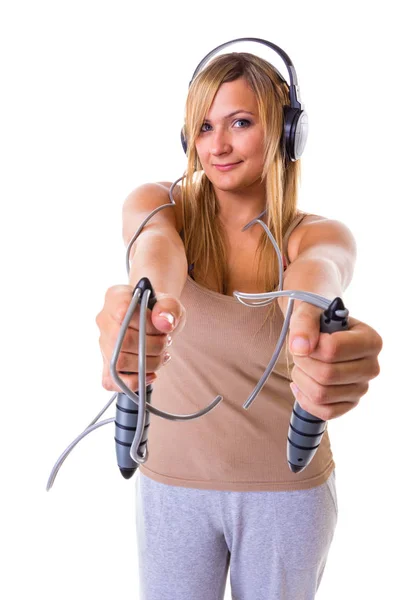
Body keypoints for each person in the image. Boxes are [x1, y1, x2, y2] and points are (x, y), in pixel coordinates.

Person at [95, 52, 382, 600]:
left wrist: (308, 320)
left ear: (286, 132)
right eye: (203, 126)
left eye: (240, 123)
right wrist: (151, 304)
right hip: (171, 489)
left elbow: (319, 272)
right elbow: (154, 248)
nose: (217, 146)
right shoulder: (161, 205)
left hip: (287, 493)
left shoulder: (318, 235)